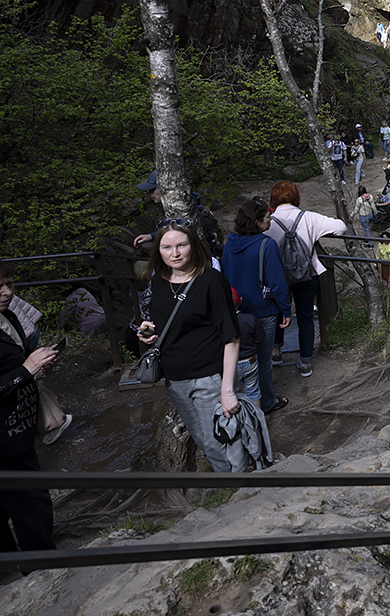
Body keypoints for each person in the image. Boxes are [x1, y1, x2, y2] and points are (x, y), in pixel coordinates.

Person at [136, 224, 251, 472]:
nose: (175, 253)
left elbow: (231, 337)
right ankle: (229, 483)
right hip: (175, 379)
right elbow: (168, 325)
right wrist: (149, 334)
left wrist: (227, 389)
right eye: (167, 247)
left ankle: (241, 487)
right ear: (158, 251)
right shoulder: (157, 283)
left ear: (193, 247)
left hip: (209, 376)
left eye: (181, 245)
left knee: (222, 437)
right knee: (203, 440)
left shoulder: (211, 280)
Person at [0, 264, 59, 554]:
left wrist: (36, 362)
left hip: (18, 425)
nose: (7, 293)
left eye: (9, 284)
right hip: (4, 438)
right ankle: (42, 565)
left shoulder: (7, 315)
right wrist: (27, 369)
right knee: (31, 500)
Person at [265, 181, 347, 379]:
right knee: (305, 317)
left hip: (279, 278)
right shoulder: (308, 218)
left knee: (277, 313)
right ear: (296, 197)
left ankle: (275, 352)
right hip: (306, 274)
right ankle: (306, 361)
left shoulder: (268, 221)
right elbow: (341, 227)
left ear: (274, 199)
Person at [221, 198, 291, 416]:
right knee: (262, 359)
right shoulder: (266, 245)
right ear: (258, 222)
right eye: (267, 218)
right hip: (263, 311)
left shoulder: (229, 245)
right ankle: (266, 402)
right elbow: (277, 281)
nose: (270, 221)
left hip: (236, 313)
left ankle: (241, 399)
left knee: (238, 358)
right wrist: (286, 309)